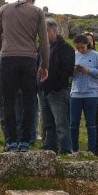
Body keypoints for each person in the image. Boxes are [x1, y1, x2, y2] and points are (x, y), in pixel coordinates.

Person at [0, 0, 49, 153]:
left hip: (8, 58)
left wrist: (4, 47)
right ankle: (25, 141)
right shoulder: (37, 11)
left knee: (8, 101)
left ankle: (11, 141)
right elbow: (44, 41)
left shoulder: (3, 9)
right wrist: (44, 64)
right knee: (28, 101)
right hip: (29, 59)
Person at [38, 19, 74, 154]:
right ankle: (50, 148)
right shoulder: (41, 47)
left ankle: (65, 150)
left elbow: (67, 71)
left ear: (55, 31)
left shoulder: (65, 48)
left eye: (46, 31)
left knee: (61, 124)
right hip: (43, 90)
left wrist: (56, 85)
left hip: (57, 91)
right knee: (48, 123)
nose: (44, 34)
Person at [70, 34, 98, 155]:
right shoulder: (74, 55)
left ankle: (91, 150)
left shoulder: (95, 55)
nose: (80, 50)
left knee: (91, 123)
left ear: (87, 44)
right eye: (78, 48)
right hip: (76, 93)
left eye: (82, 47)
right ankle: (74, 149)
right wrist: (73, 70)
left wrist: (88, 70)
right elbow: (68, 74)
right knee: (74, 123)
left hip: (91, 93)